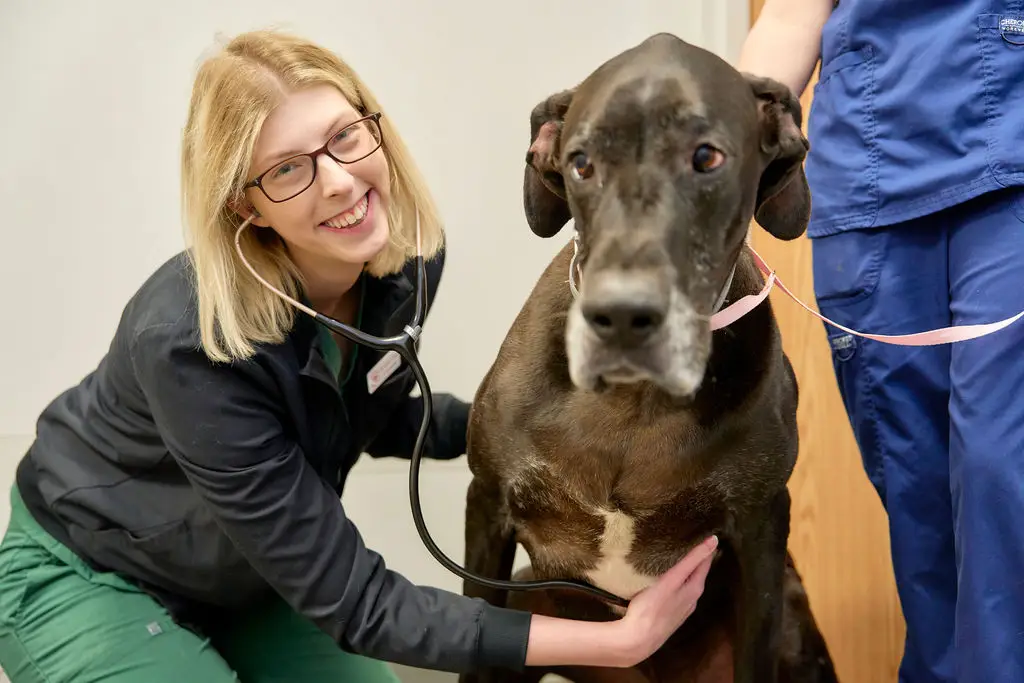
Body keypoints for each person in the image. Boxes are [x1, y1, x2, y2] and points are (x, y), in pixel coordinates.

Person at [0, 29, 719, 683]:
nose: (340, 181)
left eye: (345, 135)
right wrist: (614, 642)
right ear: (246, 207)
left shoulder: (405, 268)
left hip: (250, 573)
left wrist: (524, 429)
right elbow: (361, 603)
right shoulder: (189, 345)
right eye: (288, 169)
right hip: (89, 570)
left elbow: (365, 410)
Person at [738, 1, 1024, 682]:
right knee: (917, 496)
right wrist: (708, 154)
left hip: (1009, 163)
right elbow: (788, 20)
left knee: (998, 473)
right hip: (871, 181)